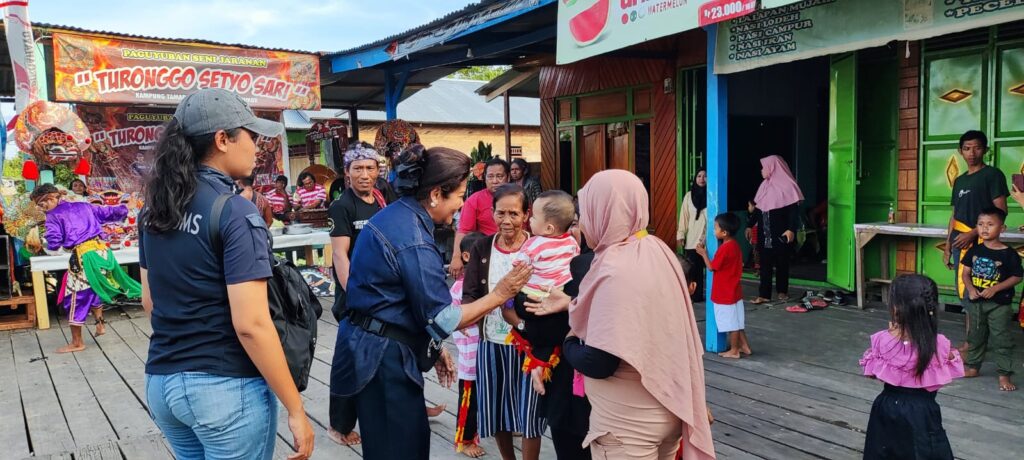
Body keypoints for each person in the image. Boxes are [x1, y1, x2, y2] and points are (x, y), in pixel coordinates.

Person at [140, 88, 314, 460]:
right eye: (250, 135)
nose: (257, 146)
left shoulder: (154, 208)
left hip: (163, 383)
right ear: (223, 139)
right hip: (225, 389)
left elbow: (149, 301)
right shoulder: (235, 212)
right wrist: (296, 408)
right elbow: (251, 324)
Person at [329, 144, 530, 460]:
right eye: (459, 195)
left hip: (372, 347)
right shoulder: (413, 239)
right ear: (436, 194)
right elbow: (444, 318)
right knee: (400, 448)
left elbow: (403, 298)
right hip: (383, 359)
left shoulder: (395, 216)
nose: (461, 204)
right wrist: (500, 294)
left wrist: (433, 348)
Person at [526, 170, 715, 460]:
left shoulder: (614, 268)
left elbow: (599, 361)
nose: (583, 224)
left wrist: (570, 340)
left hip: (628, 426)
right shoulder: (657, 251)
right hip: (669, 408)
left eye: (585, 214)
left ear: (604, 212)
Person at [461, 183, 546, 460]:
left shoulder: (537, 248)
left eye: (513, 214)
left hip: (530, 346)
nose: (506, 221)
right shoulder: (482, 247)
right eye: (500, 213)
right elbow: (470, 293)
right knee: (496, 410)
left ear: (526, 214)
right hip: (493, 342)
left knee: (530, 412)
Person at [323, 143, 391, 447]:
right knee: (349, 361)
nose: (365, 174)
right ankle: (338, 424)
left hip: (384, 294)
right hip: (355, 298)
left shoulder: (381, 199)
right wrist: (355, 295)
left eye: (370, 168)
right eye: (358, 169)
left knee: (388, 354)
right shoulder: (342, 206)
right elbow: (340, 256)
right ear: (347, 173)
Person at [860, 274, 964, 459]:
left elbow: (872, 374)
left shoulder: (882, 339)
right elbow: (947, 372)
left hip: (887, 407)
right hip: (923, 412)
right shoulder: (939, 344)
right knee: (924, 451)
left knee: (884, 451)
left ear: (896, 308)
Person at [32, 184, 141, 353]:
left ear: (51, 198)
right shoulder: (83, 205)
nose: (41, 208)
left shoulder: (53, 215)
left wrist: (44, 240)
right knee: (92, 288)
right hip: (103, 253)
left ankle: (77, 342)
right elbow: (107, 213)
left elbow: (54, 243)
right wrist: (126, 207)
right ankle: (99, 324)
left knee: (76, 296)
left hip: (86, 257)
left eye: (41, 204)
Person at [533, 208, 593, 460]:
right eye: (570, 225)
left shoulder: (591, 266)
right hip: (560, 372)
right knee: (566, 442)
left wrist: (570, 303)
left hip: (600, 374)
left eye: (578, 224)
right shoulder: (556, 266)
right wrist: (538, 360)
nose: (571, 232)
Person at [507, 190, 579, 382]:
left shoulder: (534, 244)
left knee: (532, 331)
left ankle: (535, 369)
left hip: (532, 296)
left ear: (548, 228)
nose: (529, 219)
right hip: (559, 296)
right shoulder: (571, 241)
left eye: (533, 216)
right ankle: (541, 368)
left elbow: (518, 267)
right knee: (551, 337)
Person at [958, 206, 1020, 391]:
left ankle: (1004, 374)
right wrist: (969, 289)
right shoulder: (974, 250)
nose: (984, 228)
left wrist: (996, 288)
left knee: (1001, 338)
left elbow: (1017, 276)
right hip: (977, 303)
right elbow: (965, 273)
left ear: (1002, 228)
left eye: (990, 224)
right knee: (975, 335)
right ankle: (973, 367)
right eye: (980, 224)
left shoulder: (1009, 254)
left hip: (999, 305)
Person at [944, 130, 1008, 301]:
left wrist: (973, 233)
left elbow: (1001, 211)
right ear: (960, 151)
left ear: (985, 150)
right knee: (965, 290)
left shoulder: (993, 175)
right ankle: (971, 328)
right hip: (960, 241)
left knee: (983, 286)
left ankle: (982, 327)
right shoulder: (959, 181)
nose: (972, 153)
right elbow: (954, 216)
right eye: (967, 148)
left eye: (977, 148)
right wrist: (948, 245)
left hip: (984, 242)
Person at [450, 231, 489, 458]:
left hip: (483, 353)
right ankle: (464, 439)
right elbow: (461, 317)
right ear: (466, 257)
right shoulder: (460, 288)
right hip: (470, 358)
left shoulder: (483, 286)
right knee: (469, 400)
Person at [747, 155, 802, 304]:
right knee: (765, 265)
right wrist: (749, 225)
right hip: (764, 233)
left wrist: (791, 229)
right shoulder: (764, 185)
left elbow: (793, 211)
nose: (762, 170)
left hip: (781, 233)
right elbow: (758, 209)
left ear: (773, 167)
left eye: (764, 167)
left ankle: (782, 291)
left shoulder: (788, 186)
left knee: (782, 263)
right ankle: (764, 295)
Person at [696, 212, 750, 359]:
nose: (714, 231)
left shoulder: (724, 249)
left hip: (724, 293)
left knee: (731, 324)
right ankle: (744, 346)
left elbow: (712, 267)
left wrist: (703, 254)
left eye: (715, 228)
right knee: (738, 321)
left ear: (724, 233)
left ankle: (734, 350)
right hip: (734, 290)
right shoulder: (735, 245)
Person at [450, 157, 510, 279]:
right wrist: (456, 257)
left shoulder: (518, 197)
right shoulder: (474, 200)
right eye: (490, 176)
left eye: (499, 176)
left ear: (508, 177)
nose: (495, 181)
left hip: (516, 256)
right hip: (487, 257)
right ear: (484, 178)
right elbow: (463, 231)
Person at [676, 169, 708, 300]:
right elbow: (684, 216)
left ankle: (706, 294)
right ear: (695, 178)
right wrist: (681, 234)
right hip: (692, 239)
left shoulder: (712, 195)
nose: (702, 178)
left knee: (708, 268)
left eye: (705, 176)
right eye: (699, 176)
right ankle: (694, 295)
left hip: (708, 239)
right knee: (693, 269)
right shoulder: (689, 196)